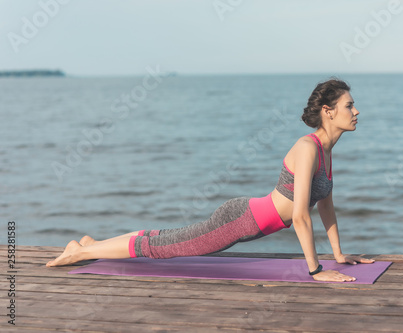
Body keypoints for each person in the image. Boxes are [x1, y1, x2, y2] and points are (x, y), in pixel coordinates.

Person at [46, 78, 375, 282]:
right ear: (329, 112)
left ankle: (92, 245)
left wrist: (339, 254)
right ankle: (77, 251)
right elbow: (301, 215)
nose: (357, 111)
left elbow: (325, 205)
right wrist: (316, 271)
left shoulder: (327, 152)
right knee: (163, 246)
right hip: (238, 221)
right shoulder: (308, 148)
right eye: (350, 105)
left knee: (169, 238)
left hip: (249, 223)